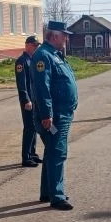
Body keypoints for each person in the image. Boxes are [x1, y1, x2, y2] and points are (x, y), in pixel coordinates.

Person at [30, 21, 80, 210]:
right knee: (58, 152)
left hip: (62, 112)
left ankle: (48, 192)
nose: (66, 38)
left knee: (52, 151)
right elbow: (42, 88)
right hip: (54, 116)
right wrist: (47, 114)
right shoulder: (43, 56)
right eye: (64, 35)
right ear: (55, 35)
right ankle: (57, 196)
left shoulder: (55, 54)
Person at [15, 35, 41, 167]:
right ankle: (26, 157)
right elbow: (22, 83)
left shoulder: (32, 60)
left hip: (34, 99)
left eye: (37, 46)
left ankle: (32, 154)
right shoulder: (22, 61)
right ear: (27, 46)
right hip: (28, 100)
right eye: (34, 45)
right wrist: (26, 100)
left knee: (34, 126)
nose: (36, 48)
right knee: (29, 128)